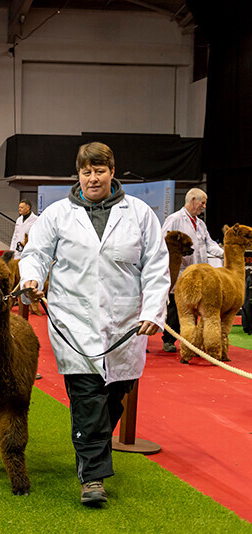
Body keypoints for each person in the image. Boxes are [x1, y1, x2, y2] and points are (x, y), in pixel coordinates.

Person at [19, 142, 169, 506]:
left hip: (126, 323)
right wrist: (31, 279)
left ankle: (90, 449)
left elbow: (155, 265)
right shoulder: (57, 214)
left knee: (113, 398)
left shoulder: (140, 214)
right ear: (78, 175)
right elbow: (36, 253)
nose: (92, 178)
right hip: (74, 322)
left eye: (99, 170)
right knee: (86, 397)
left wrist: (153, 312)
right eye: (86, 171)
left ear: (112, 172)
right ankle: (93, 478)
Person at [159, 188, 224, 353]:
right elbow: (163, 242)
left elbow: (209, 244)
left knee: (195, 307)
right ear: (193, 200)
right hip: (180, 271)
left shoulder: (200, 224)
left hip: (198, 273)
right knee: (176, 305)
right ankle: (169, 340)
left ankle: (192, 340)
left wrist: (225, 254)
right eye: (202, 203)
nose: (203, 206)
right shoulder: (174, 220)